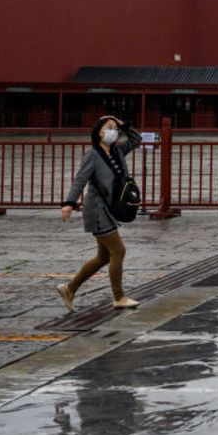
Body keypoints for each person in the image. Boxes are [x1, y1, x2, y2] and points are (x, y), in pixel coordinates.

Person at [57, 116, 143, 310]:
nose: (113, 131)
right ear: (98, 132)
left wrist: (124, 124)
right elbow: (80, 179)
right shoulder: (92, 155)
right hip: (97, 209)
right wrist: (69, 203)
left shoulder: (117, 151)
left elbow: (136, 139)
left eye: (115, 129)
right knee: (118, 251)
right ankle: (119, 297)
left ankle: (69, 288)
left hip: (110, 209)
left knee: (103, 257)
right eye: (109, 127)